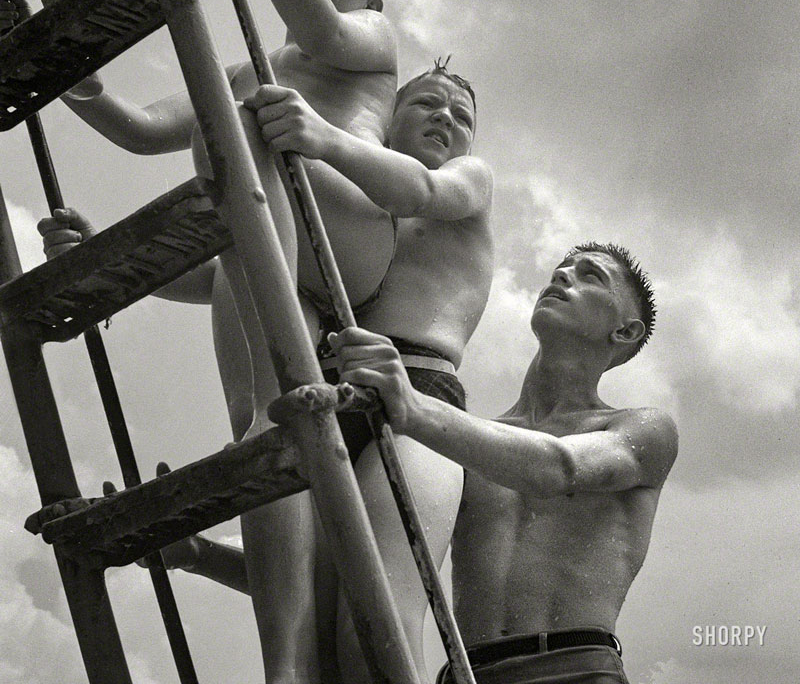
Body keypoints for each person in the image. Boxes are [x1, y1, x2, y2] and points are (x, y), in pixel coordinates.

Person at [23, 0, 398, 684]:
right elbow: (135, 126)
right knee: (263, 433)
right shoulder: (251, 68)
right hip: (270, 241)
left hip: (348, 230)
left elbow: (321, 26)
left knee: (251, 125)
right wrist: (115, 260)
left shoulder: (371, 41)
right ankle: (286, 666)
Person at [38, 58, 494, 683]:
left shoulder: (465, 184)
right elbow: (244, 267)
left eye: (460, 116)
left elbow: (426, 189)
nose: (444, 117)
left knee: (378, 622)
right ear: (387, 121)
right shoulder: (362, 212)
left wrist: (320, 137)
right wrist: (114, 266)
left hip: (419, 398)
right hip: (334, 390)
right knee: (318, 613)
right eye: (425, 104)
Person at [157, 244, 676, 683]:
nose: (564, 274)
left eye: (591, 276)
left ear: (625, 333)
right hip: (465, 672)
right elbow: (357, 576)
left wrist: (415, 405)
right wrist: (198, 554)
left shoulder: (641, 429)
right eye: (563, 267)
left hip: (575, 670)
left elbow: (560, 468)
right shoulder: (466, 449)